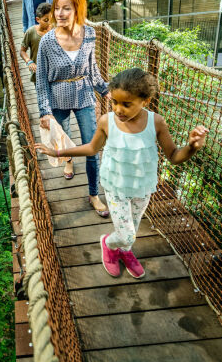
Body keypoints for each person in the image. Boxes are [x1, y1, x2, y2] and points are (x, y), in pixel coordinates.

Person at [36, 68, 209, 279]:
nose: (118, 109)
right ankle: (108, 244)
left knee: (132, 229)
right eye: (115, 102)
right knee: (127, 233)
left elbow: (174, 156)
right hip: (115, 186)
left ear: (145, 101)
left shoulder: (156, 122)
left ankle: (125, 251)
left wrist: (192, 147)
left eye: (127, 104)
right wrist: (58, 152)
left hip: (142, 186)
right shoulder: (106, 121)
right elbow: (92, 148)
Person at [35, 0, 109, 214]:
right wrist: (45, 111)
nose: (60, 14)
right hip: (57, 99)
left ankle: (94, 194)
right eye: (57, 8)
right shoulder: (47, 41)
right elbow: (41, 79)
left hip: (84, 94)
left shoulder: (90, 34)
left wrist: (106, 91)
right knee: (63, 139)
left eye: (66, 8)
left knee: (92, 147)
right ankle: (68, 160)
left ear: (77, 9)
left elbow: (92, 69)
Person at [20, 2, 53, 83]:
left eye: (52, 19)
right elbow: (22, 51)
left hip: (54, 72)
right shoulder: (31, 32)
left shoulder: (55, 30)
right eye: (46, 20)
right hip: (39, 72)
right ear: (38, 19)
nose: (49, 23)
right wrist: (29, 62)